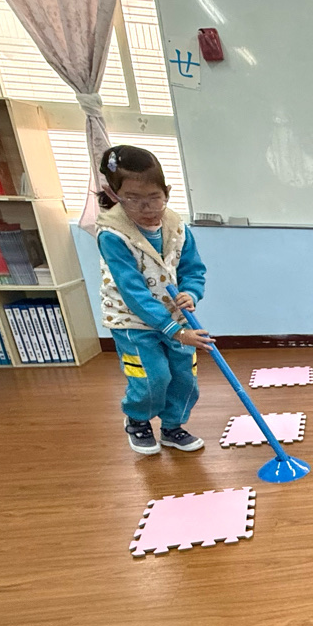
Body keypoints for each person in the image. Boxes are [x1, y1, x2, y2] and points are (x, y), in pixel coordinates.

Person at [96, 144, 215, 455]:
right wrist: (176, 332)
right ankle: (137, 419)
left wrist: (191, 292)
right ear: (113, 195)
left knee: (185, 378)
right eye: (133, 199)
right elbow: (132, 292)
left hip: (175, 318)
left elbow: (192, 269)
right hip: (133, 321)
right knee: (153, 376)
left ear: (167, 192)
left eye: (154, 198)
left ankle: (173, 427)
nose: (146, 208)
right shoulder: (113, 235)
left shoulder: (177, 228)